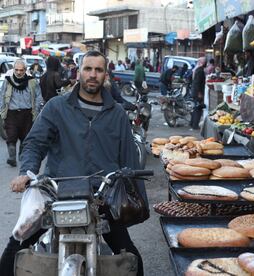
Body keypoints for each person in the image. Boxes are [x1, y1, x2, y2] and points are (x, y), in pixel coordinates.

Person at [0, 50, 148, 276]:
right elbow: (35, 144)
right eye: (88, 69)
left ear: (105, 74)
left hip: (102, 198)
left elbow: (128, 158)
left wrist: (133, 198)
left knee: (133, 261)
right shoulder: (56, 107)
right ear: (78, 72)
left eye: (98, 70)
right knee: (13, 250)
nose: (92, 74)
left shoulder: (117, 114)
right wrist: (26, 173)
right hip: (57, 194)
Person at [0, 59, 43, 167]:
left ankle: (22, 155)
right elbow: (1, 96)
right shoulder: (7, 81)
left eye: (21, 70)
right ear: (13, 69)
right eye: (17, 70)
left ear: (25, 70)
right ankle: (12, 158)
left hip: (27, 113)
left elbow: (39, 96)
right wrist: (2, 111)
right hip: (11, 113)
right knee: (11, 136)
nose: (19, 72)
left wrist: (36, 110)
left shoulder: (32, 82)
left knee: (25, 137)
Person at [190, 57, 207, 130]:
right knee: (198, 109)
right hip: (197, 92)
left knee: (195, 108)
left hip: (195, 92)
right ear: (202, 63)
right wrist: (199, 93)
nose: (206, 63)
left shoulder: (197, 70)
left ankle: (192, 123)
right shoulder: (200, 71)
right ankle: (195, 125)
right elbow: (197, 83)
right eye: (205, 62)